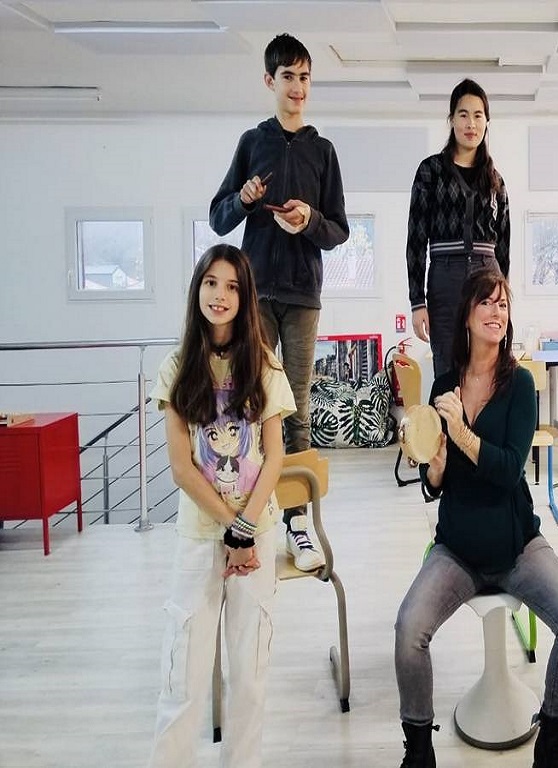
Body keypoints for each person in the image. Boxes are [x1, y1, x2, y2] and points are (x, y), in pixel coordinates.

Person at [394, 269, 558, 768]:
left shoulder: (520, 384)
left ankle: (552, 739)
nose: (495, 311)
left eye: (502, 304)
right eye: (485, 302)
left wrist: (461, 432)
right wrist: (435, 465)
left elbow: (508, 471)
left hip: (516, 545)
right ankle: (418, 750)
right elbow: (436, 484)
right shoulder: (444, 385)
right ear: (467, 314)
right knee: (408, 630)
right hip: (457, 548)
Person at [147, 244, 296, 768]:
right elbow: (182, 468)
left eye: (232, 286)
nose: (220, 294)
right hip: (200, 537)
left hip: (256, 536)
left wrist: (245, 530)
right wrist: (232, 529)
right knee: (183, 679)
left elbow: (275, 455)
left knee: (250, 679)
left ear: (245, 297)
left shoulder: (266, 364)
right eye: (211, 282)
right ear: (198, 289)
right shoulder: (175, 367)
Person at [210, 32, 349, 572]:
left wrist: (308, 220)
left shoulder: (323, 151)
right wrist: (244, 200)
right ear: (270, 81)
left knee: (297, 408)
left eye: (305, 77)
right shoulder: (253, 142)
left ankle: (298, 522)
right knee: (254, 404)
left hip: (304, 297)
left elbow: (337, 230)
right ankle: (254, 514)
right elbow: (219, 217)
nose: (298, 87)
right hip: (256, 296)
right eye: (288, 76)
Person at [406, 78, 511, 378]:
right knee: (448, 369)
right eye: (463, 114)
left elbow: (504, 246)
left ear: (486, 122)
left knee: (487, 368)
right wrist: (417, 302)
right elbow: (416, 239)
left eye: (478, 115)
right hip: (445, 277)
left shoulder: (495, 180)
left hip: (487, 275)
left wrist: (502, 299)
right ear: (451, 119)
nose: (471, 123)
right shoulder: (430, 171)